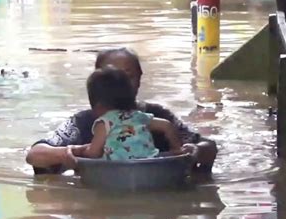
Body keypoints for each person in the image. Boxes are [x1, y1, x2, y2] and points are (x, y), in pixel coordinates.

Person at [26, 48, 218, 174]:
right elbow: (35, 154)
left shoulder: (156, 115)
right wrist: (70, 153)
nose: (118, 86)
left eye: (127, 76)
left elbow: (207, 147)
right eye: (109, 80)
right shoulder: (84, 122)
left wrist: (193, 151)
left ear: (140, 79)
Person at [72, 67, 182, 161]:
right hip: (150, 162)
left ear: (97, 105)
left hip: (118, 169)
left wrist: (82, 152)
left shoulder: (104, 123)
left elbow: (94, 153)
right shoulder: (139, 116)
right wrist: (176, 149)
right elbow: (167, 125)